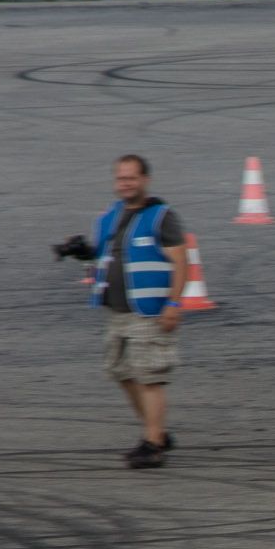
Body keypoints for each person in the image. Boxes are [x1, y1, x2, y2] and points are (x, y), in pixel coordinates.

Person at [86, 154, 188, 469]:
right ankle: (156, 432)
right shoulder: (110, 216)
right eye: (121, 178)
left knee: (149, 378)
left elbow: (182, 262)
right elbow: (103, 255)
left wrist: (173, 304)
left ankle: (153, 445)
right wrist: (80, 251)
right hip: (117, 311)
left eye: (131, 178)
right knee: (122, 373)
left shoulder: (161, 216)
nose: (125, 184)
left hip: (149, 312)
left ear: (145, 180)